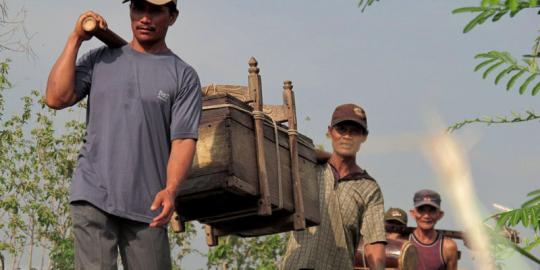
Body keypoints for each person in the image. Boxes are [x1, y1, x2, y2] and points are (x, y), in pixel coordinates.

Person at [45, 0, 202, 268]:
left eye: (155, 11)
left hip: (148, 205)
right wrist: (76, 39)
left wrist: (171, 189)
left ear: (172, 17)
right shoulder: (101, 59)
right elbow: (55, 98)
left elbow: (183, 139)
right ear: (130, 12)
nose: (145, 18)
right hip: (93, 193)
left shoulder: (183, 76)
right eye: (139, 9)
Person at [281, 104, 386, 270]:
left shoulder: (369, 188)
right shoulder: (310, 169)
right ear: (330, 132)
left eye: (354, 131)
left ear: (364, 137)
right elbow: (287, 150)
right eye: (341, 129)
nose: (347, 136)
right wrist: (328, 157)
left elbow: (374, 243)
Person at [409, 189, 458, 270]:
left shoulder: (448, 247)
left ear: (440, 215)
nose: (426, 216)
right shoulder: (403, 243)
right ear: (413, 213)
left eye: (432, 210)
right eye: (421, 210)